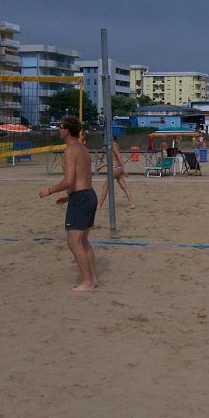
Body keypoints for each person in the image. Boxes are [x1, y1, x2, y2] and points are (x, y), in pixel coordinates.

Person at [39, 116, 98, 291]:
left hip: (81, 198)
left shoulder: (70, 150)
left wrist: (49, 190)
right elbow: (83, 177)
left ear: (66, 131)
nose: (59, 129)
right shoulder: (83, 149)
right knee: (83, 241)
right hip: (88, 195)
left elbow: (68, 180)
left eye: (61, 127)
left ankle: (87, 282)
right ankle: (93, 278)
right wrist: (68, 196)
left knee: (74, 242)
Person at [98, 139, 135, 209]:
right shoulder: (114, 145)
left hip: (115, 168)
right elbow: (113, 159)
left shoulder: (113, 145)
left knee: (105, 186)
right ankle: (132, 204)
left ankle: (99, 205)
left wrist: (124, 169)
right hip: (118, 168)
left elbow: (119, 156)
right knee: (124, 186)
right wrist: (102, 165)